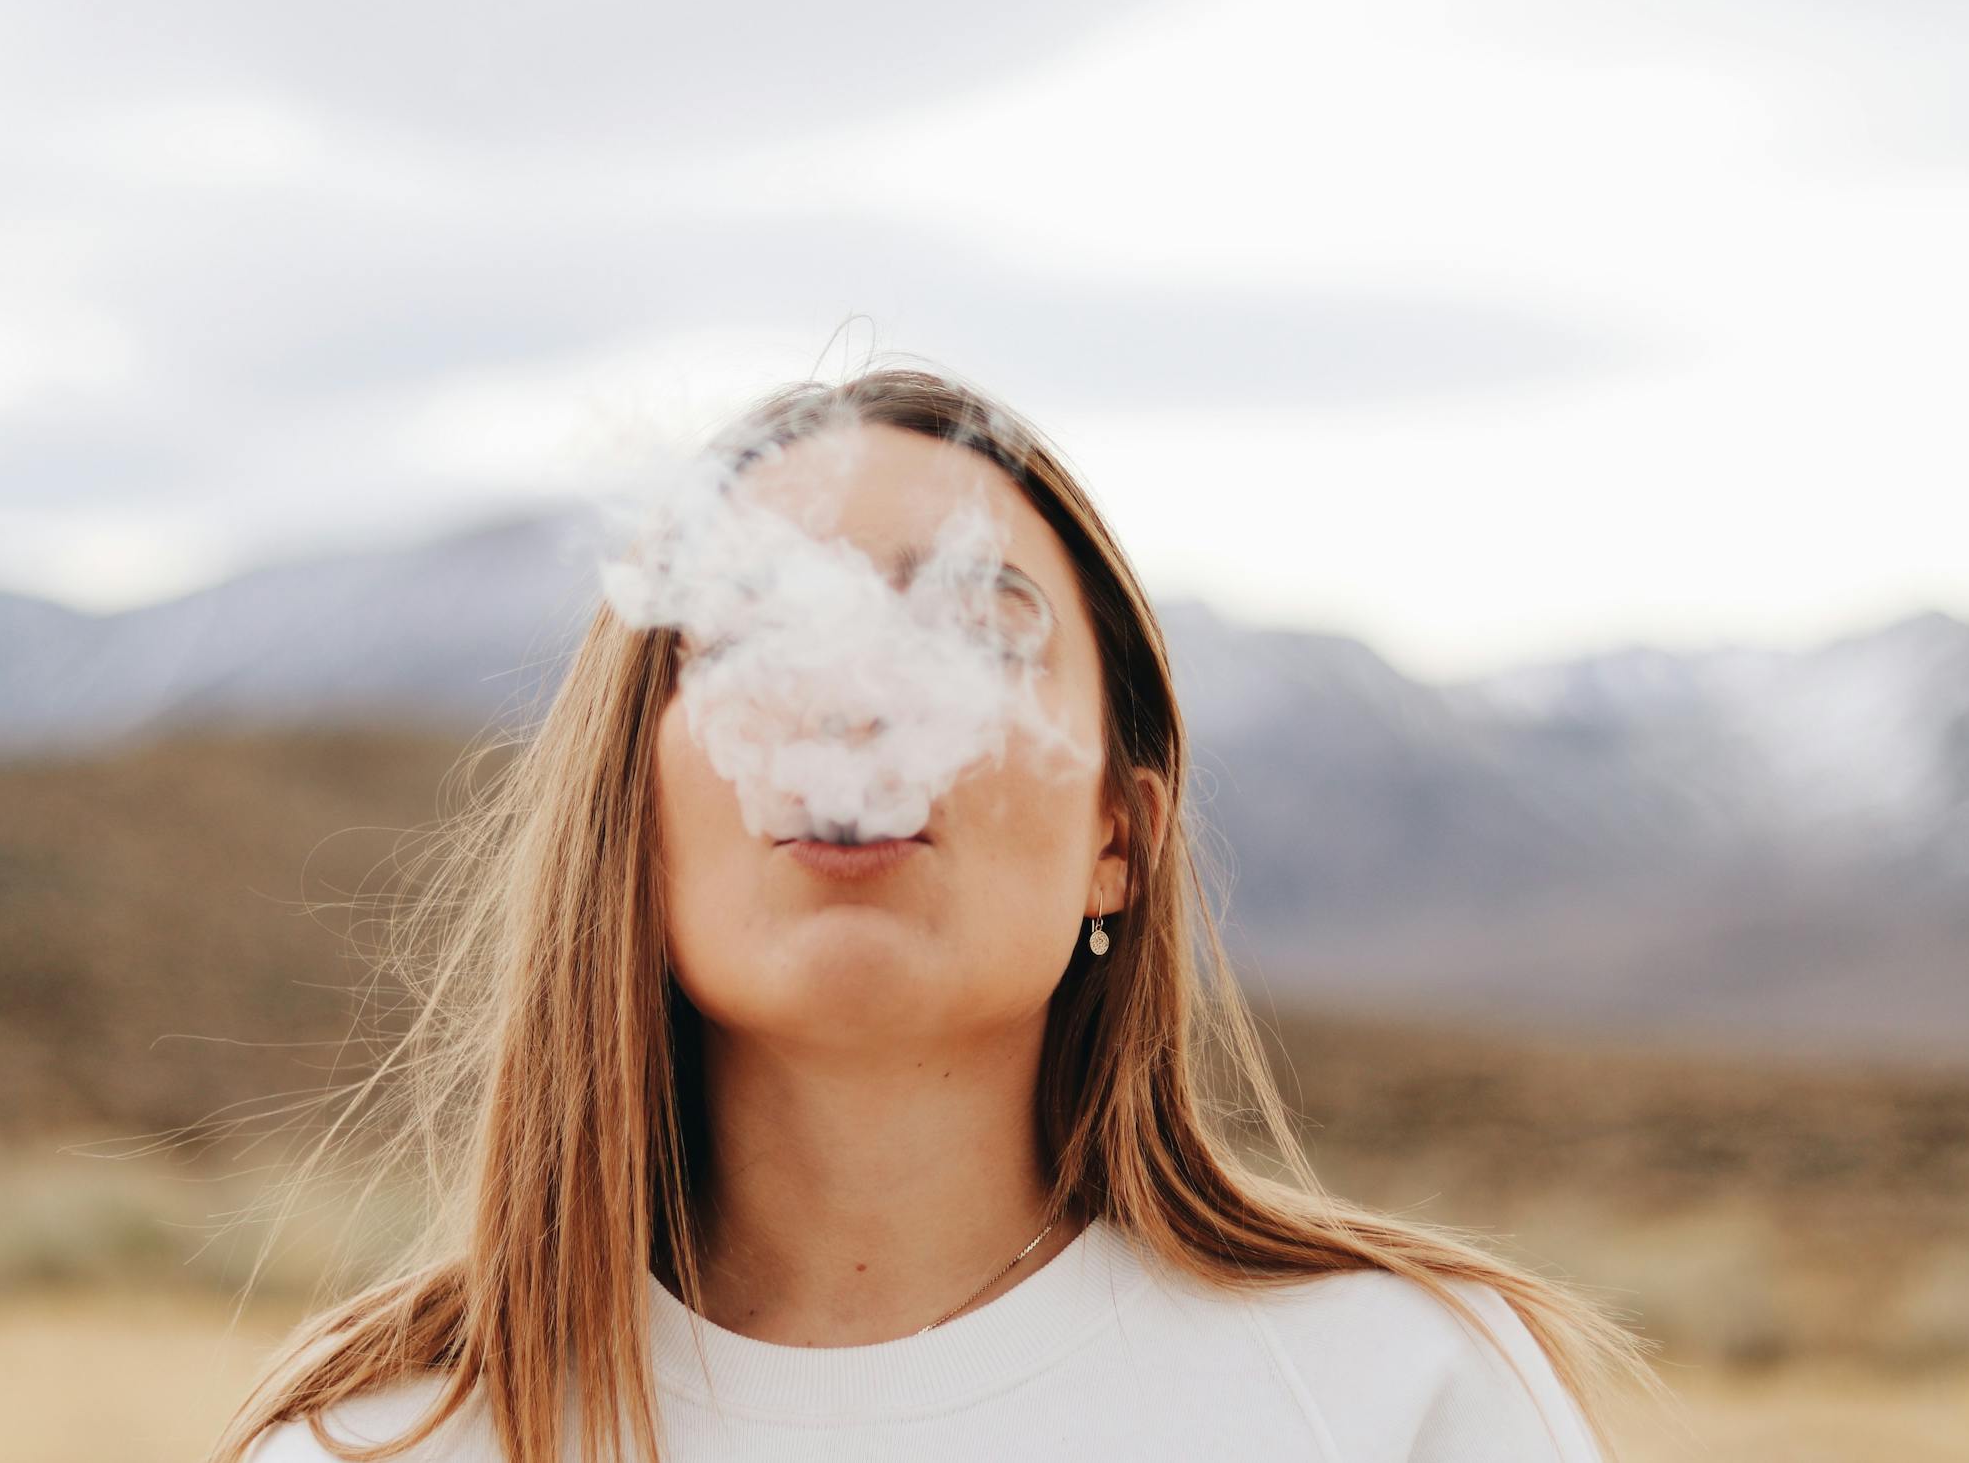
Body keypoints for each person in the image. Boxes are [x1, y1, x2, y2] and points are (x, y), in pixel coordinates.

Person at [211, 363, 1668, 1463]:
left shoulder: (1396, 1399)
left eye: (974, 625)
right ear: (626, 816)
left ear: (1120, 838)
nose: (856, 697)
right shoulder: (388, 1440)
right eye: (757, 623)